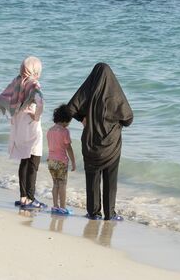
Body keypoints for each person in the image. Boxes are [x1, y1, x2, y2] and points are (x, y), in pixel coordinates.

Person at [67, 62, 133, 221]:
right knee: (110, 179)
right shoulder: (115, 93)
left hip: (91, 142)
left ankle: (93, 213)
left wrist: (83, 119)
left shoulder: (87, 91)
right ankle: (110, 214)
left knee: (92, 178)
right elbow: (129, 118)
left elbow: (70, 108)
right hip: (111, 144)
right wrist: (116, 124)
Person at [0, 56, 46, 209]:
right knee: (33, 161)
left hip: (18, 124)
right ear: (35, 71)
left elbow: (5, 97)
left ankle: (23, 198)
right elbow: (39, 101)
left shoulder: (17, 81)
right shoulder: (33, 84)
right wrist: (37, 115)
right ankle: (31, 199)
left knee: (24, 160)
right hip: (30, 124)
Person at [47, 104, 76, 215]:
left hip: (51, 160)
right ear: (65, 119)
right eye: (69, 121)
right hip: (61, 161)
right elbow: (68, 147)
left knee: (55, 184)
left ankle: (55, 206)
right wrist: (73, 161)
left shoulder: (50, 130)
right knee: (62, 184)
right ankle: (63, 207)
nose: (68, 124)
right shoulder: (65, 131)